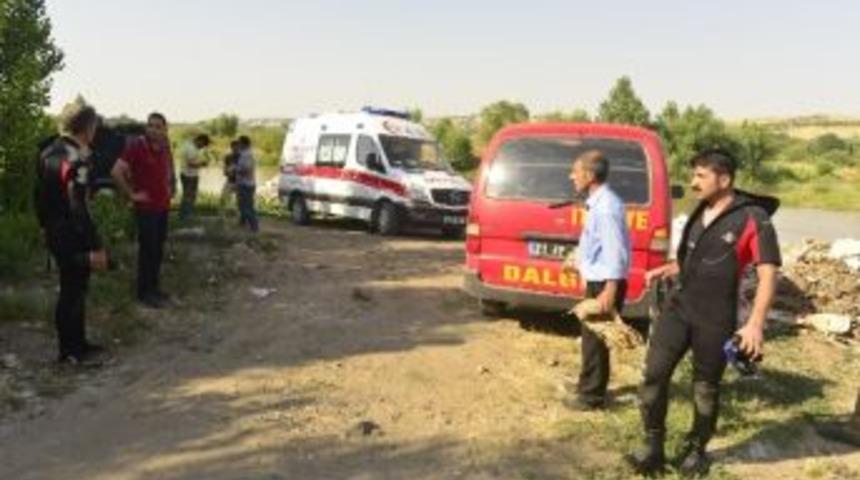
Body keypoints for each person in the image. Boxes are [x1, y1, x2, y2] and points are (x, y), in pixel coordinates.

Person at [625, 149, 781, 477]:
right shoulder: (700, 210)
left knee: (705, 387)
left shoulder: (754, 217)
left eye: (700, 176)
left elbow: (768, 274)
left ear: (723, 179)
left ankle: (698, 448)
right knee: (654, 375)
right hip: (678, 309)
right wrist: (667, 269)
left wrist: (755, 324)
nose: (693, 182)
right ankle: (653, 445)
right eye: (693, 174)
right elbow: (693, 258)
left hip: (716, 317)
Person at [34, 103, 109, 365]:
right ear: (88, 128)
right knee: (73, 291)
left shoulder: (48, 150)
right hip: (73, 233)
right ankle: (70, 353)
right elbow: (79, 206)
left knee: (72, 288)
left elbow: (39, 195)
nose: (95, 132)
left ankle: (77, 345)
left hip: (55, 230)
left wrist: (44, 227)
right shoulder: (76, 158)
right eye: (94, 127)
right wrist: (96, 244)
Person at [562, 149, 631, 410]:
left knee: (597, 340)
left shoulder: (606, 207)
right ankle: (586, 385)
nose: (572, 176)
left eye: (576, 172)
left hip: (605, 283)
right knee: (590, 336)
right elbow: (597, 244)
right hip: (599, 279)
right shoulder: (599, 202)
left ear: (589, 175)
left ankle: (592, 397)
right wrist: (578, 260)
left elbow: (615, 252)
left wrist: (609, 291)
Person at [111, 112, 174, 308]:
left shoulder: (164, 147)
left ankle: (154, 288)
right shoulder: (137, 146)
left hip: (163, 206)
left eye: (158, 126)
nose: (153, 129)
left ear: (165, 129)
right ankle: (144, 292)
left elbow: (168, 170)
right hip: (146, 208)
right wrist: (131, 194)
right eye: (150, 125)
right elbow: (116, 171)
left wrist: (170, 187)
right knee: (148, 250)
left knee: (158, 250)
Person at [178, 133, 211, 220]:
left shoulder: (188, 144)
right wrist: (202, 164)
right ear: (200, 140)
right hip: (189, 176)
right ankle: (186, 215)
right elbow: (190, 164)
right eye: (203, 144)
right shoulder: (191, 149)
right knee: (189, 196)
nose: (202, 147)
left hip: (187, 174)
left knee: (188, 195)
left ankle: (184, 214)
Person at [235, 135, 259, 232]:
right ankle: (242, 223)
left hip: (246, 184)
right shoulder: (244, 153)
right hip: (243, 183)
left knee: (247, 206)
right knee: (242, 205)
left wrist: (235, 170)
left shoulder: (247, 154)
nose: (238, 145)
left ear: (244, 144)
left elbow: (247, 169)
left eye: (239, 143)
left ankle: (254, 227)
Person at [220, 140, 240, 209]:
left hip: (240, 182)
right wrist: (227, 171)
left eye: (237, 147)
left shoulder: (243, 157)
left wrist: (236, 169)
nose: (235, 149)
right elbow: (224, 171)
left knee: (239, 201)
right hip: (230, 181)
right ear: (231, 147)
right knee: (223, 198)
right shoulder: (228, 157)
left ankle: (239, 216)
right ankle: (222, 216)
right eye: (234, 147)